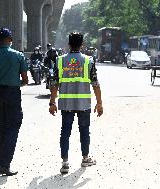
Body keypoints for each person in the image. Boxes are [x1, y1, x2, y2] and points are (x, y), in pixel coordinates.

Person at [49, 32, 103, 174]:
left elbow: (54, 83)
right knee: (84, 130)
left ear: (68, 44)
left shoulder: (60, 61)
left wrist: (52, 102)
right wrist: (99, 103)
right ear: (82, 45)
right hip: (83, 103)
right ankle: (85, 158)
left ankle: (65, 162)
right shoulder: (88, 61)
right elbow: (95, 83)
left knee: (65, 132)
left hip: (66, 103)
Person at [0, 28, 29, 176]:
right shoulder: (18, 56)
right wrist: (16, 84)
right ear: (10, 39)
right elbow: (26, 80)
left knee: (1, 128)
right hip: (13, 94)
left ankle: (4, 162)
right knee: (13, 126)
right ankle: (4, 165)